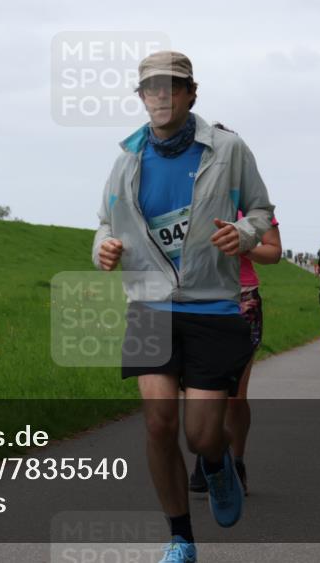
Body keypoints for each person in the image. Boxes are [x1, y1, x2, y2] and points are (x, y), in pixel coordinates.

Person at [93, 51, 275, 563]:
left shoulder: (228, 149)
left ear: (191, 93)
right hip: (149, 306)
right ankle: (180, 537)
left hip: (212, 306)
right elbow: (105, 224)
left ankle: (216, 464)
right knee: (157, 423)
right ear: (141, 97)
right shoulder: (126, 158)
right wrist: (102, 248)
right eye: (151, 88)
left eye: (171, 86)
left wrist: (243, 233)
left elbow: (262, 208)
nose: (161, 96)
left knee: (200, 434)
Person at [187, 124, 282, 499]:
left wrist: (242, 241)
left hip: (241, 298)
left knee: (234, 396)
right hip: (195, 298)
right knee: (198, 391)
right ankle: (208, 454)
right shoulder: (188, 196)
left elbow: (273, 252)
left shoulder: (251, 201)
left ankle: (236, 459)